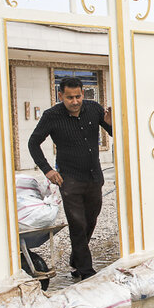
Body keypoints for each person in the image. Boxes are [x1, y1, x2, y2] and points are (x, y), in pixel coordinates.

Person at [28, 76, 112, 280]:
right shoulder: (51, 116)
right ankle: (86, 271)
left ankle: (76, 260)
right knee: (77, 224)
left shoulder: (93, 108)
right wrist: (48, 170)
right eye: (69, 97)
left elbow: (114, 132)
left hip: (94, 176)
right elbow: (33, 143)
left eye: (78, 96)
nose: (75, 101)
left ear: (83, 94)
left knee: (91, 220)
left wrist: (111, 123)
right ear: (60, 96)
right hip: (69, 179)